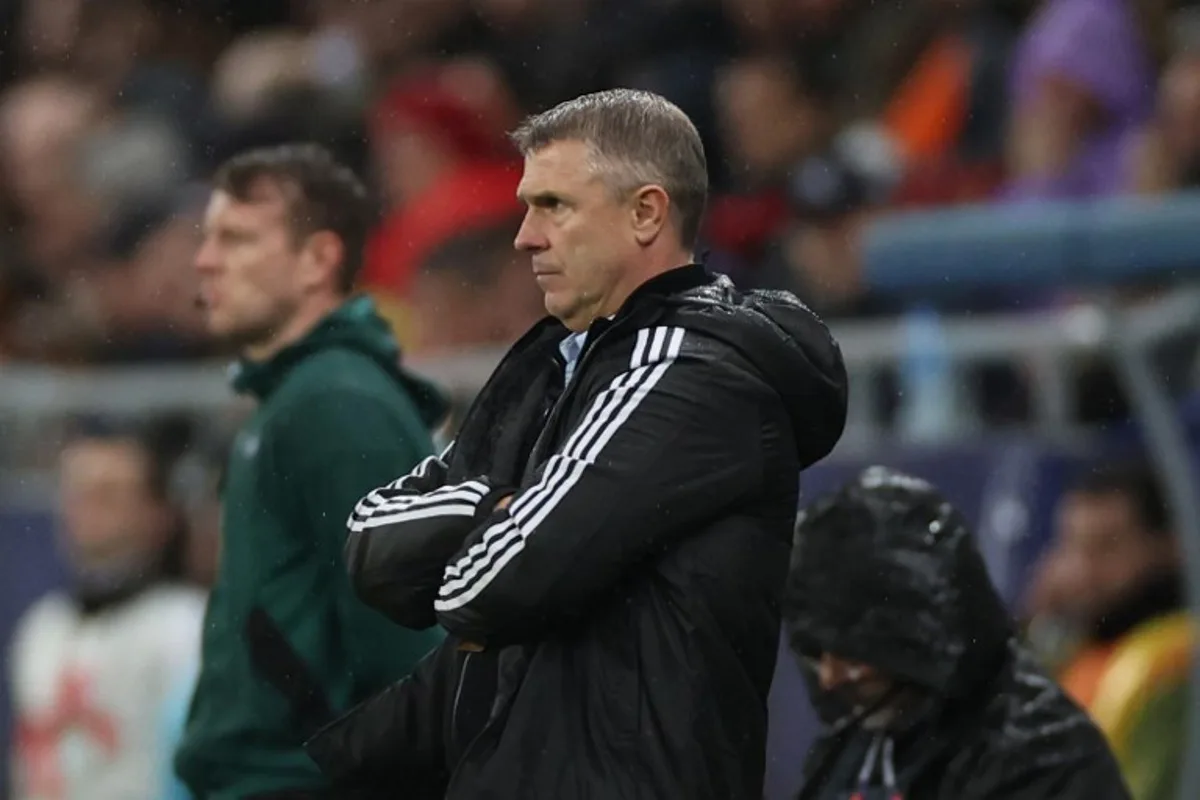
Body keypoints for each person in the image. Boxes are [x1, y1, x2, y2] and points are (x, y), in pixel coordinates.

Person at [302, 88, 849, 799]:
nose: (526, 235)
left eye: (554, 205)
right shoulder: (557, 362)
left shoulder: (690, 369)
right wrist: (505, 510)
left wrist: (489, 534)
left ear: (647, 212)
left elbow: (487, 586)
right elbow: (371, 544)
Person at [173, 143, 448, 800]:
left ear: (318, 259)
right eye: (208, 236)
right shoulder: (296, 396)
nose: (204, 260)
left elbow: (404, 645)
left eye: (236, 239)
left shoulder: (333, 403)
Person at [786, 466, 1131, 800]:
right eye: (817, 654)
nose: (830, 678)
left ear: (918, 634)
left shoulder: (1040, 756)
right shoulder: (855, 750)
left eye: (854, 656)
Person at [9, 419, 206, 800]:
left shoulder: (186, 626)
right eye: (77, 494)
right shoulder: (42, 626)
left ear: (158, 512)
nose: (88, 513)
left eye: (109, 495)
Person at [1024, 462, 1187, 800]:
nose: (1084, 571)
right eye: (1073, 546)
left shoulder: (1174, 664)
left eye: (1107, 548)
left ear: (1167, 548)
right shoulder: (1069, 648)